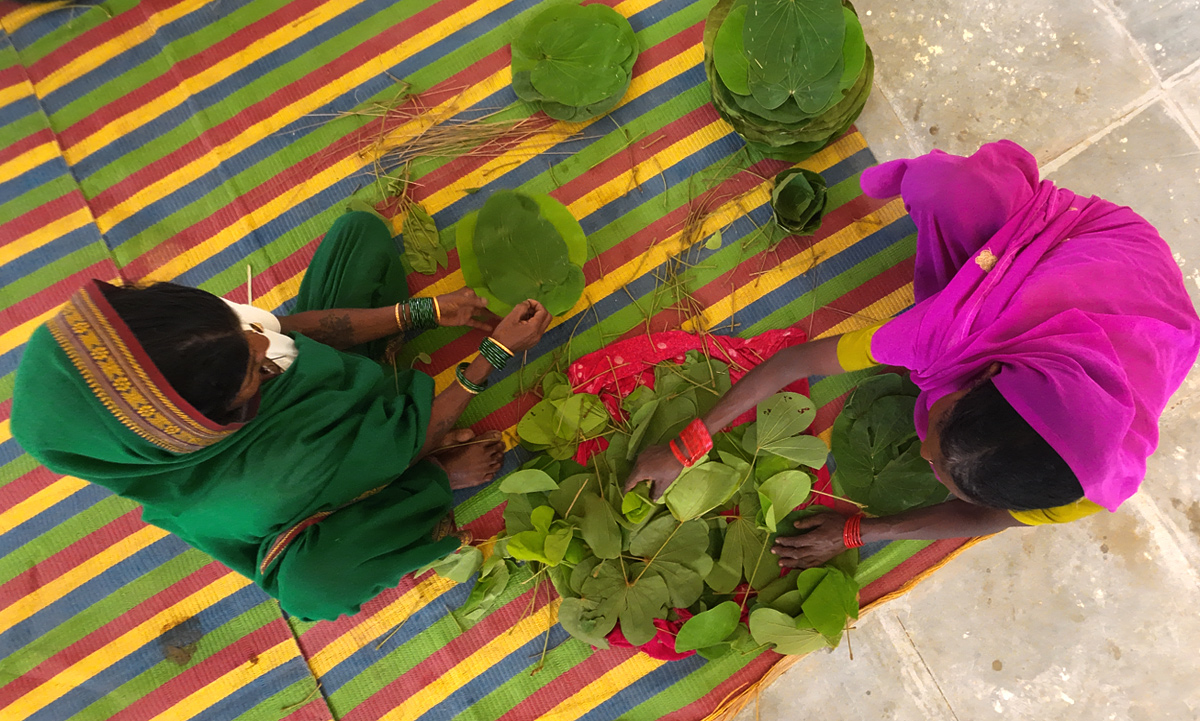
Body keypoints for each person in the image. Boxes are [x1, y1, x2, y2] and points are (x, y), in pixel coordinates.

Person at [625, 140, 1200, 569]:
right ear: (989, 373)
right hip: (1094, 243)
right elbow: (794, 362)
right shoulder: (941, 336)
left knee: (965, 276)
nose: (921, 445)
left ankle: (982, 274)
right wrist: (686, 443)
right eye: (940, 429)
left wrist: (858, 532)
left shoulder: (1086, 481)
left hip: (1133, 322)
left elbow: (989, 517)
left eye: (942, 471)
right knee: (947, 189)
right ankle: (986, 248)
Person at [11, 210, 552, 621]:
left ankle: (379, 404)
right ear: (217, 418)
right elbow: (406, 437)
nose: (255, 338)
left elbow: (285, 333)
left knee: (357, 234)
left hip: (317, 416)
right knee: (321, 581)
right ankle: (429, 480)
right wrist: (494, 355)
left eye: (239, 330)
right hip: (319, 485)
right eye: (253, 368)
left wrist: (425, 312)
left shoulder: (190, 348)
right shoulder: (274, 476)